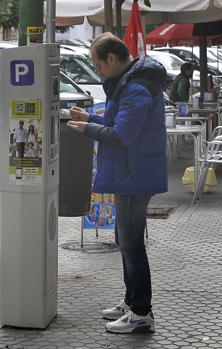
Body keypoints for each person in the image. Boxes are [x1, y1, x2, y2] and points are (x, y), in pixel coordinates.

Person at [66, 32, 168, 334]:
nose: (98, 72)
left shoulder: (135, 88)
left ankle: (141, 312)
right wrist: (92, 118)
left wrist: (88, 129)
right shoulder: (131, 83)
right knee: (126, 241)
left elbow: (123, 135)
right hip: (131, 172)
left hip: (133, 175)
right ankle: (131, 301)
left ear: (112, 59)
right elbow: (117, 120)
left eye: (98, 66)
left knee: (132, 245)